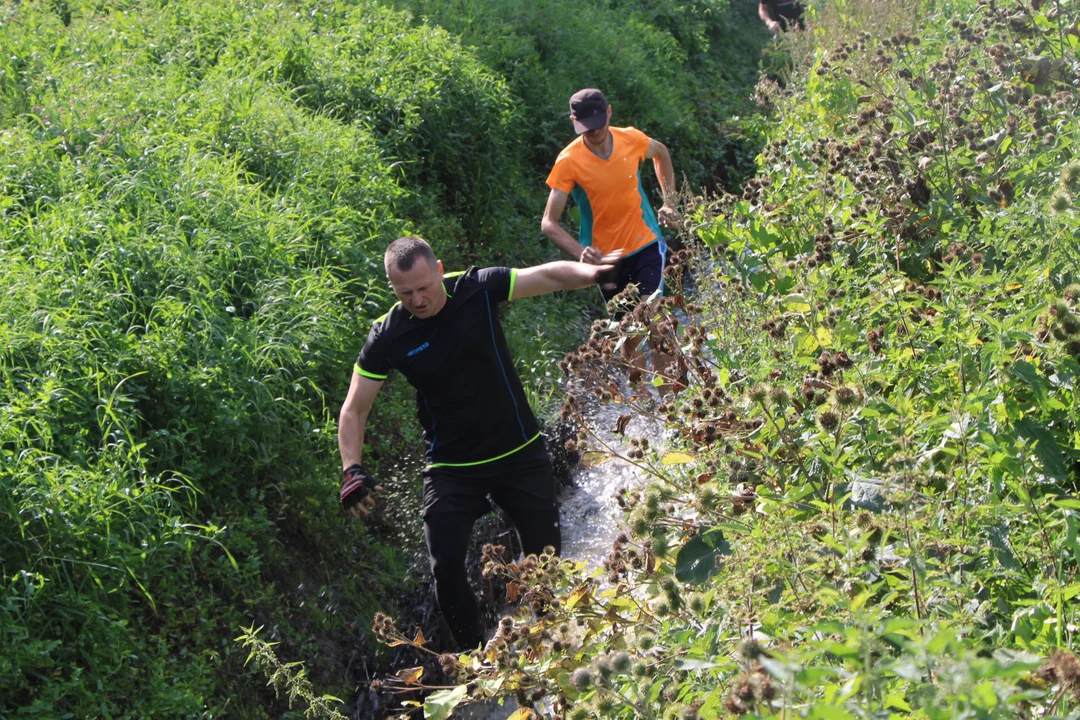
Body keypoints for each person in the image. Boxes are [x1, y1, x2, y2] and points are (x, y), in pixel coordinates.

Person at [337, 236, 618, 651]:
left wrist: (595, 274)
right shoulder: (388, 335)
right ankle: (472, 664)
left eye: (423, 288)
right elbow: (354, 409)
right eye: (404, 293)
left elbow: (546, 276)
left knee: (545, 563)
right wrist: (351, 468)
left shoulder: (475, 288)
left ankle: (554, 643)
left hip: (518, 452)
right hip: (452, 468)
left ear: (438, 269)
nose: (417, 299)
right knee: (445, 563)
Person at [541, 88, 678, 311]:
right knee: (629, 335)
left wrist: (669, 202)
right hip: (606, 260)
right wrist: (580, 251)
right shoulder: (568, 161)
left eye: (598, 123)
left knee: (650, 313)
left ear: (610, 112)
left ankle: (667, 344)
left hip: (647, 243)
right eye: (587, 127)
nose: (594, 132)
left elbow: (661, 153)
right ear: (573, 121)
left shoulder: (631, 138)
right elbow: (548, 223)